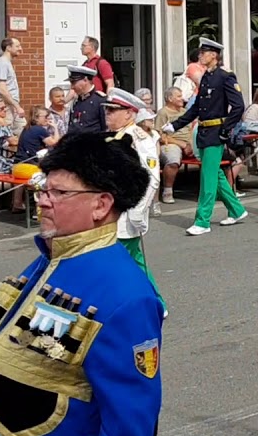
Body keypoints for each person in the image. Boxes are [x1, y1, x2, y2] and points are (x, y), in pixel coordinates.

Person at [0, 132, 161, 436]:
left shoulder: (126, 294)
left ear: (101, 205)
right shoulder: (49, 258)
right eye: (44, 189)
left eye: (59, 192)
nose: (42, 200)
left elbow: (129, 432)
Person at [164, 38, 249, 236]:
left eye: (204, 52)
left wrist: (226, 129)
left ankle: (203, 220)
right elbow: (195, 108)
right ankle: (236, 209)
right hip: (203, 131)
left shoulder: (225, 76)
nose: (200, 55)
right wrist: (175, 125)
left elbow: (238, 107)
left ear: (214, 55)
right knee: (215, 174)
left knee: (207, 178)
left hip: (215, 132)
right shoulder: (206, 78)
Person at [101, 88, 165, 312]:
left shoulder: (139, 140)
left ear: (129, 113)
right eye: (107, 110)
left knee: (118, 262)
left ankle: (145, 302)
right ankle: (155, 301)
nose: (107, 114)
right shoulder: (113, 137)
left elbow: (151, 179)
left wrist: (138, 211)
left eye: (113, 110)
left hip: (127, 213)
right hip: (112, 210)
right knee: (133, 261)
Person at [155, 86, 192, 205]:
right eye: (179, 96)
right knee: (173, 160)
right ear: (170, 99)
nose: (183, 99)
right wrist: (180, 144)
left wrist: (191, 144)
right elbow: (159, 136)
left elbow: (191, 129)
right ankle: (167, 191)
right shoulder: (163, 113)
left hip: (189, 143)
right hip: (171, 142)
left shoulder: (185, 112)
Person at [0, 37, 24, 132]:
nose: (20, 48)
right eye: (17, 46)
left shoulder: (6, 63)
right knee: (7, 134)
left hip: (11, 105)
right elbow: (2, 89)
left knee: (22, 130)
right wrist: (17, 107)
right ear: (8, 48)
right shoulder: (3, 63)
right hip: (6, 106)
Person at [67, 65, 108, 135]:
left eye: (74, 83)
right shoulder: (76, 101)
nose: (72, 87)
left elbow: (106, 128)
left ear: (85, 80)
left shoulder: (100, 100)